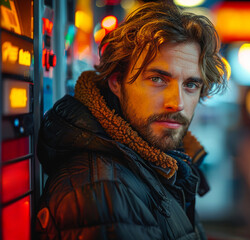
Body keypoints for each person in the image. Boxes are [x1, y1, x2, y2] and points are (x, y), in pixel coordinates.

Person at [35, 1, 228, 239]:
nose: (176, 103)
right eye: (158, 79)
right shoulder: (105, 191)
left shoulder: (160, 163)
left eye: (190, 84)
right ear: (116, 81)